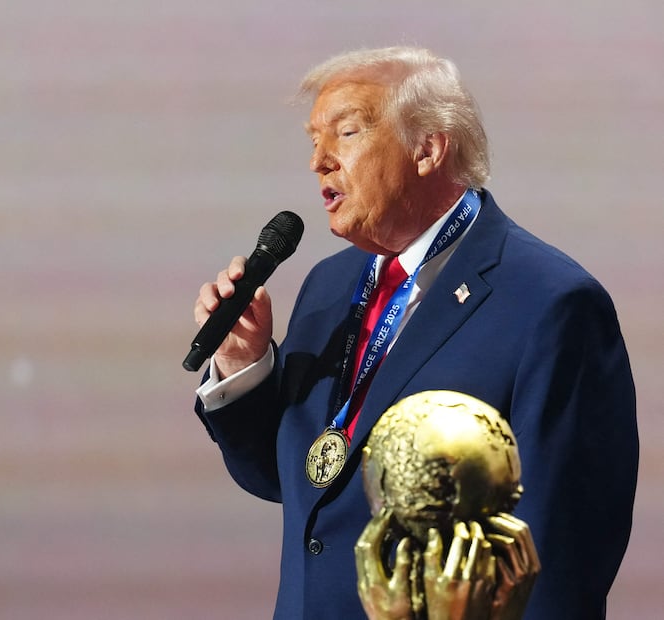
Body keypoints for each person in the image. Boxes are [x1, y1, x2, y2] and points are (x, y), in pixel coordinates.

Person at [191, 46, 638, 619]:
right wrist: (243, 364)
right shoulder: (329, 286)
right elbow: (298, 484)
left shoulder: (551, 304)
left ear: (427, 149)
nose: (319, 162)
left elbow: (560, 555)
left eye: (346, 132)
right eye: (313, 140)